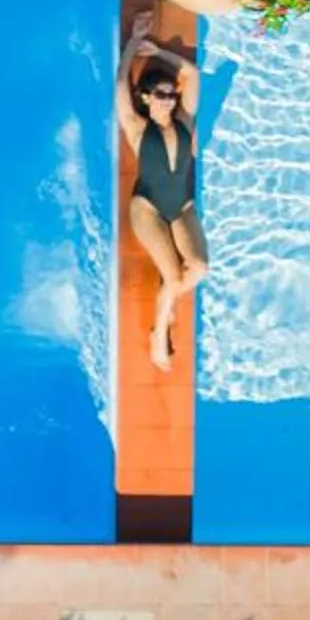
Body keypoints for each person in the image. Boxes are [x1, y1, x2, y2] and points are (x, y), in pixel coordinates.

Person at [118, 19, 207, 373]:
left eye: (172, 95)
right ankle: (159, 333)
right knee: (172, 278)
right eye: (161, 95)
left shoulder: (185, 121)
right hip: (149, 208)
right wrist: (131, 48)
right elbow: (119, 87)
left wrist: (159, 52)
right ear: (146, 97)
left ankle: (168, 301)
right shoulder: (138, 128)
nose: (169, 101)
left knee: (199, 268)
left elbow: (193, 74)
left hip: (181, 207)